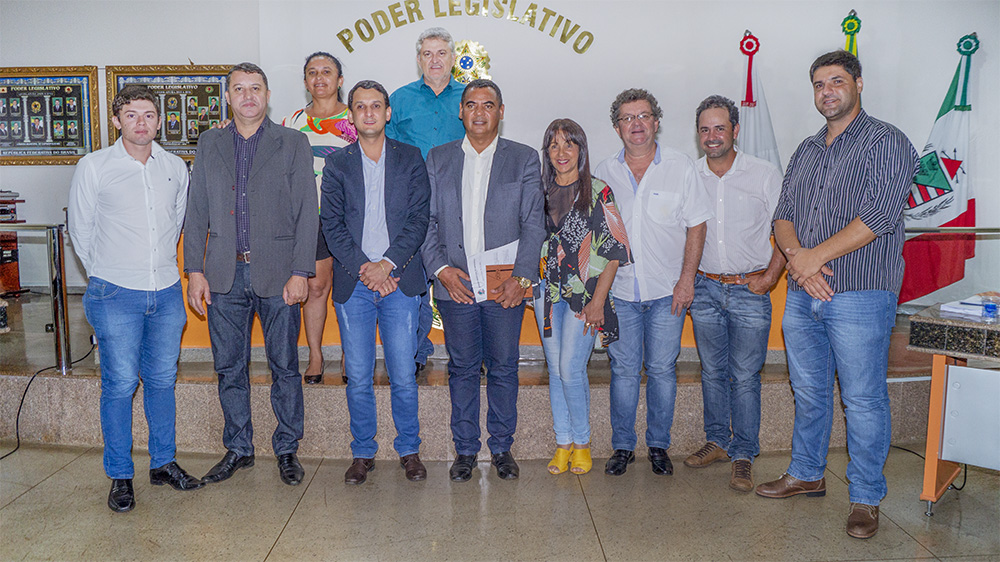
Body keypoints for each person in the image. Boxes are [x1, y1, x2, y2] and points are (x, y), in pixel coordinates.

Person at [755, 50, 917, 540]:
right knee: (809, 392)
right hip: (805, 294)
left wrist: (807, 259)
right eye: (820, 84)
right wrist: (800, 262)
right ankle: (806, 473)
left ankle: (866, 496)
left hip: (861, 292)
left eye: (837, 81)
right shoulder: (806, 150)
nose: (828, 91)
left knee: (864, 399)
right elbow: (783, 213)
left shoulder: (887, 141)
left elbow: (880, 215)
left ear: (858, 85)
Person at [68, 85, 204, 513]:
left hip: (164, 291)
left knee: (163, 381)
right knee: (121, 383)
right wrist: (107, 275)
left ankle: (163, 463)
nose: (141, 122)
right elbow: (81, 232)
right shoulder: (94, 167)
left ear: (160, 120)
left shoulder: (175, 168)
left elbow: (178, 221)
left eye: (148, 114)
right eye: (131, 115)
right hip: (115, 293)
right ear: (116, 121)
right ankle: (120, 475)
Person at [184, 63, 317, 488]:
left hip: (279, 274)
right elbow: (196, 210)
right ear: (227, 97)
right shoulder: (210, 142)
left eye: (254, 88)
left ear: (268, 94)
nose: (247, 96)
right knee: (229, 367)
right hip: (223, 274)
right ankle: (239, 447)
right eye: (238, 89)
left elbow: (306, 212)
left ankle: (287, 447)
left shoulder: (293, 142)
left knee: (284, 366)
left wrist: (301, 271)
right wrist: (194, 270)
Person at [422, 79, 545, 482]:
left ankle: (502, 448)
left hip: (504, 285)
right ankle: (465, 451)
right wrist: (441, 270)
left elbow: (533, 223)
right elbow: (427, 222)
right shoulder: (438, 159)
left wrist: (522, 277)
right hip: (455, 283)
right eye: (471, 104)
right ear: (460, 111)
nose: (479, 112)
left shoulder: (524, 159)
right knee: (461, 368)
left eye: (487, 105)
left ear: (501, 111)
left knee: (504, 367)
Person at [594, 88, 712, 477]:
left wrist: (687, 281)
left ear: (656, 122)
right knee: (624, 371)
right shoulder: (603, 172)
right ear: (617, 128)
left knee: (662, 370)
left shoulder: (681, 167)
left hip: (668, 293)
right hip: (621, 293)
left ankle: (659, 444)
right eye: (628, 118)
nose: (637, 125)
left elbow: (697, 226)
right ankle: (623, 446)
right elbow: (598, 237)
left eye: (644, 116)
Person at [321, 80, 430, 484]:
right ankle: (363, 452)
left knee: (403, 373)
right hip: (355, 285)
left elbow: (419, 219)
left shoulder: (410, 158)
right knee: (360, 376)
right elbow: (331, 226)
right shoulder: (337, 164)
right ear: (350, 115)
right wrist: (367, 268)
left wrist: (386, 265)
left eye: (376, 106)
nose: (368, 113)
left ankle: (409, 450)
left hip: (399, 281)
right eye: (360, 106)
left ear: (387, 113)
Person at [684, 95, 785, 492]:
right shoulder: (689, 176)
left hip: (750, 289)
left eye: (719, 128)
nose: (712, 136)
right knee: (711, 371)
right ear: (698, 134)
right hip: (705, 288)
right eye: (705, 129)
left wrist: (770, 278)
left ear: (735, 130)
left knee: (744, 376)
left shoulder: (763, 174)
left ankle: (743, 453)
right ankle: (717, 441)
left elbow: (787, 230)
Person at [535, 119, 631, 476]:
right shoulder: (538, 191)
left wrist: (597, 302)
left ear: (581, 150)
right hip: (546, 294)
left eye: (569, 144)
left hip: (585, 297)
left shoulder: (598, 191)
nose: (562, 152)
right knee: (556, 371)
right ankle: (563, 444)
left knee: (571, 370)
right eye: (554, 145)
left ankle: (583, 443)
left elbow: (616, 250)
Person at [387, 27, 467, 373]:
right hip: (411, 204)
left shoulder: (470, 97)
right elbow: (387, 152)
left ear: (453, 58)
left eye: (441, 53)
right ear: (419, 59)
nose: (435, 60)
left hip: (459, 202)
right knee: (415, 281)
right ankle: (417, 353)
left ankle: (468, 354)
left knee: (461, 278)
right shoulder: (400, 99)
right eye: (427, 54)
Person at [281, 51, 358, 384]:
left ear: (340, 80)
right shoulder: (292, 123)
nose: (320, 78)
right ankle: (315, 355)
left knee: (351, 289)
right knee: (315, 288)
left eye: (327, 71)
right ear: (305, 81)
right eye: (312, 72)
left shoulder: (358, 119)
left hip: (353, 217)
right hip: (309, 219)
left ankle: (349, 355)